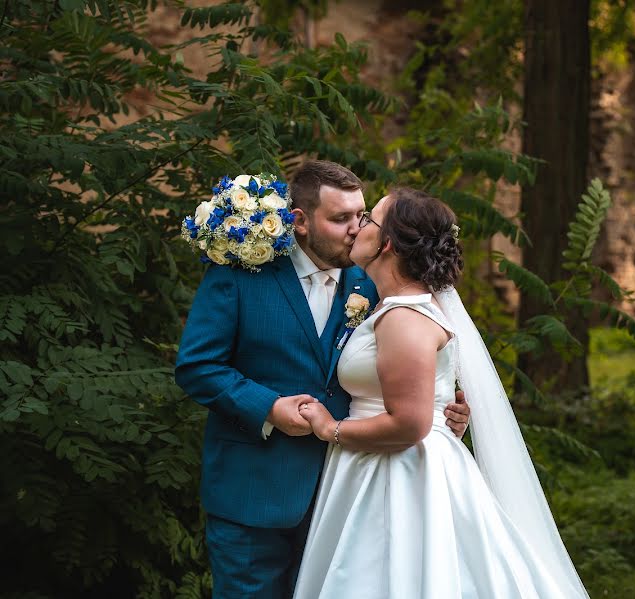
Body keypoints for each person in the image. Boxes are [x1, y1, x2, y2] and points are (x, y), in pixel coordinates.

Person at [174, 161, 470, 598]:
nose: (355, 228)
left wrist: (441, 415)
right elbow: (197, 366)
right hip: (255, 490)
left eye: (361, 215)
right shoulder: (240, 275)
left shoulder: (373, 282)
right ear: (301, 222)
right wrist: (270, 408)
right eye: (339, 218)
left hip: (349, 493)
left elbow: (407, 365)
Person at [294, 188, 590, 598]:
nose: (357, 227)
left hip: (399, 473)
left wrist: (331, 429)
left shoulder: (404, 318)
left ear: (387, 243)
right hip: (377, 463)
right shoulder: (392, 306)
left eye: (368, 219)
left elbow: (410, 423)